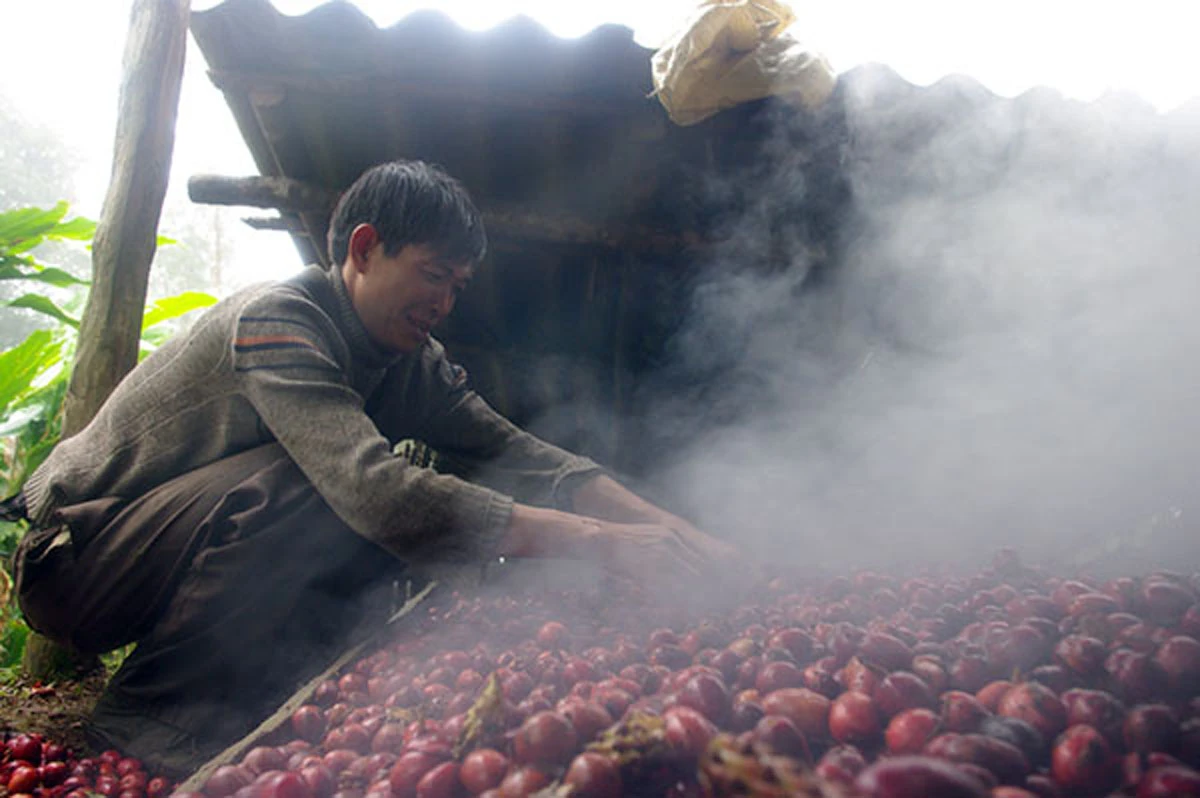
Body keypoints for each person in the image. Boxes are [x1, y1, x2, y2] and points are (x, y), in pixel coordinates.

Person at [8, 160, 738, 774]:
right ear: (363, 248)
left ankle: (246, 694)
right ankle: (147, 724)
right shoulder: (279, 321)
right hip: (78, 563)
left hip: (166, 554)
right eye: (432, 275)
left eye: (457, 286)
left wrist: (665, 526)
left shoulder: (404, 359)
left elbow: (512, 450)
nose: (444, 303)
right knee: (326, 486)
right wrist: (599, 542)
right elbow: (374, 492)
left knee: (370, 511)